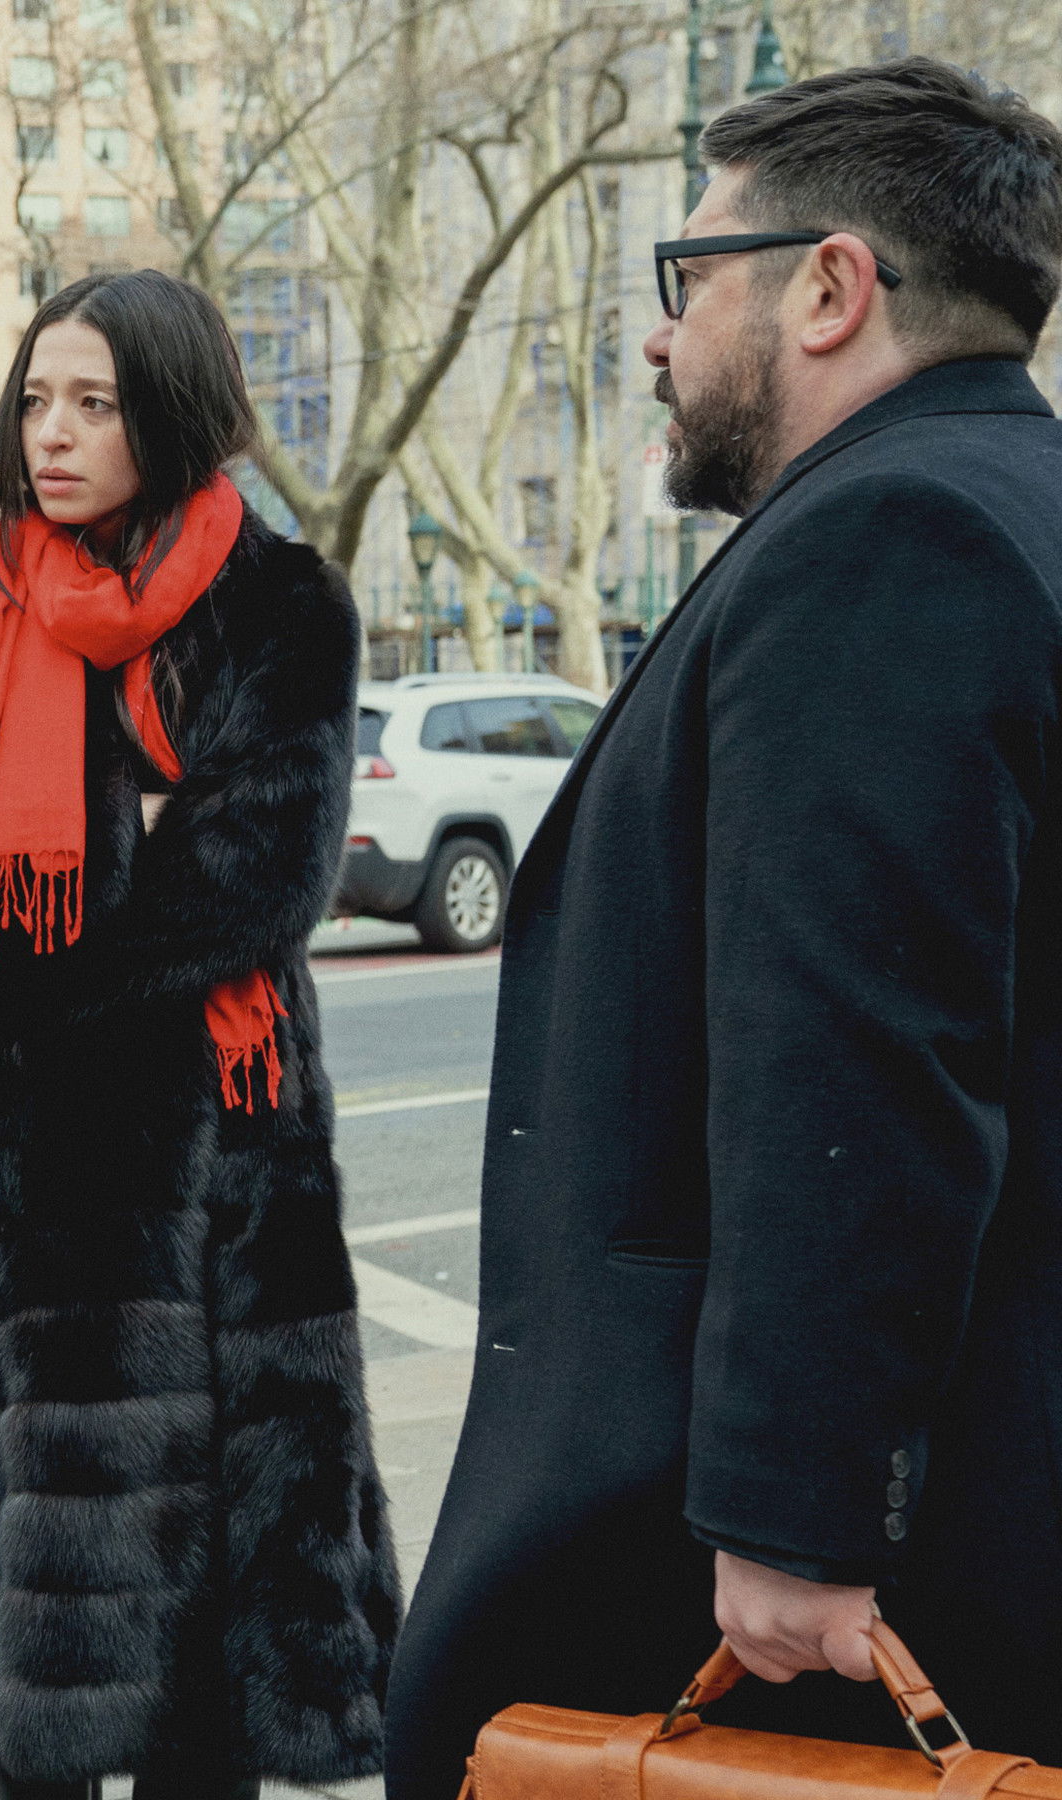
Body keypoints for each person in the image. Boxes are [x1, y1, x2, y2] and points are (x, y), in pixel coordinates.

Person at [384, 60, 1062, 1790]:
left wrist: (798, 1516)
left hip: (821, 1563)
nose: (658, 337)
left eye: (689, 279)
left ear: (829, 289)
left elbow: (861, 1058)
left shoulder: (888, 537)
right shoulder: (1015, 504)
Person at [0, 269, 403, 1800]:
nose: (54, 435)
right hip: (12, 1179)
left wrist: (41, 876)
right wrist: (130, 825)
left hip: (214, 1171)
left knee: (205, 1648)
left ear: (172, 411)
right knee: (39, 1642)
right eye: (36, 400)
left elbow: (261, 874)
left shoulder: (280, 604)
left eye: (94, 403)